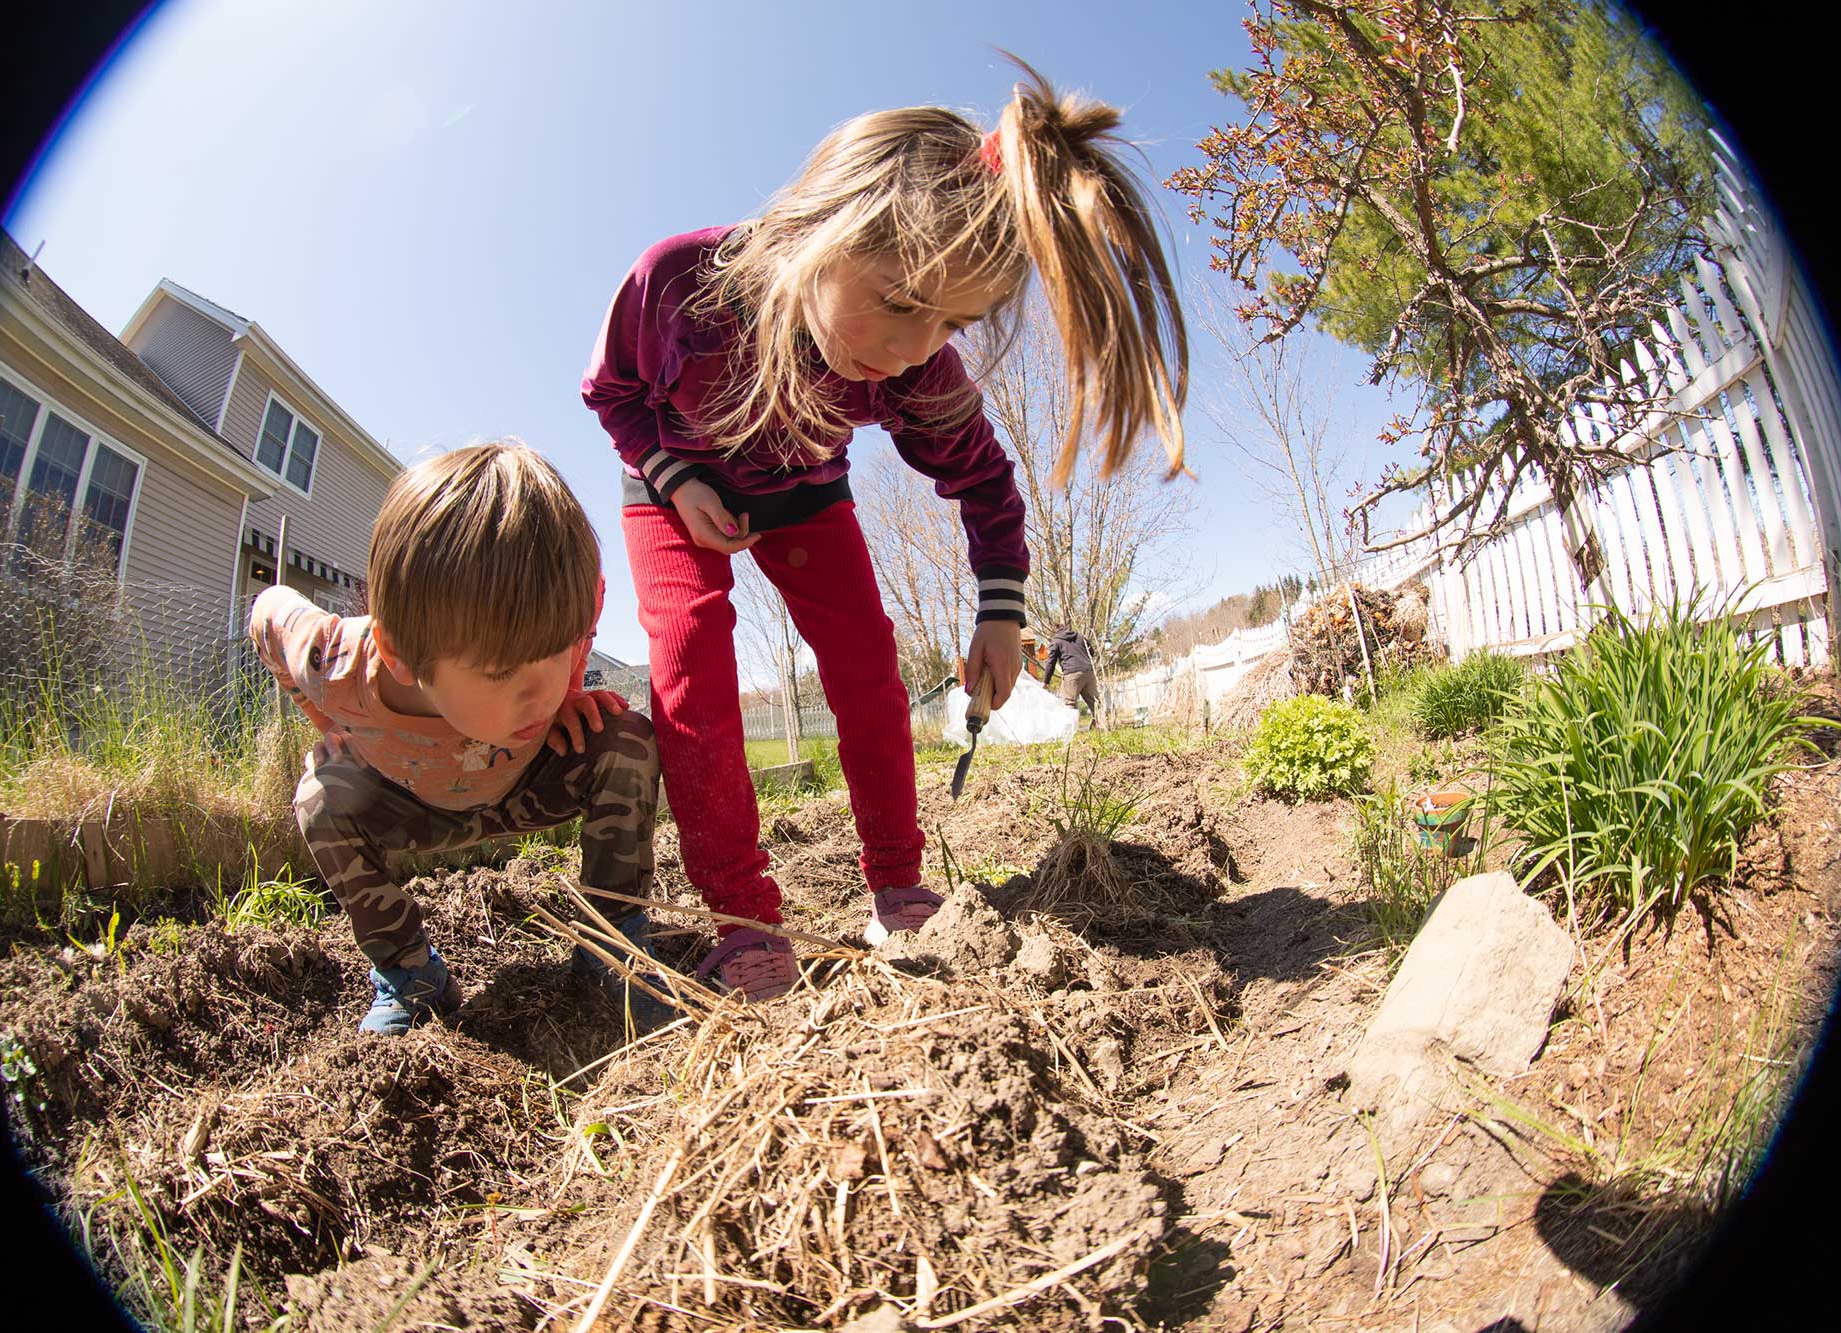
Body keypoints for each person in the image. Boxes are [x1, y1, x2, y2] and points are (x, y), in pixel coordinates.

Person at [581, 57, 1187, 1002]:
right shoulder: (676, 284)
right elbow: (611, 391)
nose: (912, 347)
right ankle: (744, 922)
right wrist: (672, 472)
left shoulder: (909, 371)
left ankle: (898, 884)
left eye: (952, 323)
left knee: (865, 658)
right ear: (825, 226)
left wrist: (1000, 608)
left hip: (804, 491)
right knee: (692, 658)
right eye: (903, 302)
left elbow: (986, 478)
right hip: (672, 488)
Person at [249, 443, 666, 1035]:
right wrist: (323, 717)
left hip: (526, 786)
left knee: (624, 737)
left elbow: (590, 594)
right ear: (398, 655)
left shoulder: (551, 671)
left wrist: (572, 685)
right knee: (320, 794)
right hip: (415, 805)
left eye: (554, 655)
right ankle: (411, 973)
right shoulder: (336, 663)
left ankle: (610, 947)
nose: (536, 697)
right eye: (501, 673)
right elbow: (269, 611)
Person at [1041, 624, 1100, 728]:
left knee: (1068, 703)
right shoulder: (1080, 637)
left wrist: (1046, 681)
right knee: (1095, 702)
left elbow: (1051, 663)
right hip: (1088, 672)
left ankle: (1071, 731)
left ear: (1054, 632)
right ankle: (1102, 726)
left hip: (1072, 674)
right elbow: (1092, 652)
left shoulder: (1056, 641)